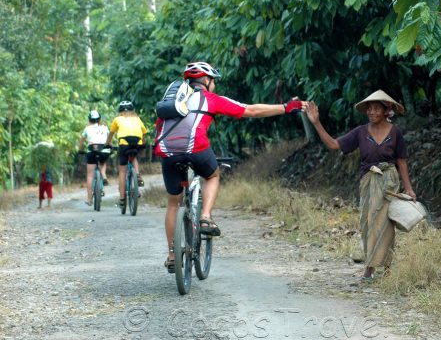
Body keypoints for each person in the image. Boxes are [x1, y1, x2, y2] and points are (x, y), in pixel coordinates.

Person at [155, 61, 306, 272]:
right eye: (213, 81)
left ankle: (172, 255)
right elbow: (251, 110)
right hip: (196, 148)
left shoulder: (170, 101)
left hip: (167, 152)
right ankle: (206, 217)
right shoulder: (211, 99)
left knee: (173, 203)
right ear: (206, 81)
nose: (214, 85)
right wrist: (286, 107)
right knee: (212, 175)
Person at [304, 90, 416, 280]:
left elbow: (402, 161)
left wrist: (409, 188)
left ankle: (385, 268)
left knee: (386, 224)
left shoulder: (395, 132)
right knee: (367, 222)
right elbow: (333, 145)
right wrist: (316, 122)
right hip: (368, 181)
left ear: (386, 110)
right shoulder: (360, 132)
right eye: (369, 109)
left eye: (376, 109)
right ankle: (370, 267)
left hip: (389, 182)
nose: (371, 112)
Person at [106, 101, 148, 209]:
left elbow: (111, 134)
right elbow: (144, 133)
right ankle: (137, 174)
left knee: (122, 171)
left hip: (124, 143)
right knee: (134, 157)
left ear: (119, 111)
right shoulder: (137, 118)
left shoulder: (117, 119)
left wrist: (108, 143)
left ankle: (122, 198)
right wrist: (143, 143)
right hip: (136, 143)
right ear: (132, 110)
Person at [79, 110, 110, 206]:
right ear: (99, 119)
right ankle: (104, 175)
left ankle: (89, 199)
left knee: (90, 175)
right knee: (103, 161)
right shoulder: (105, 128)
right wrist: (110, 146)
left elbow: (81, 141)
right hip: (103, 150)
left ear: (89, 119)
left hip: (91, 150)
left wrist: (80, 149)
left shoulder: (87, 128)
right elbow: (109, 139)